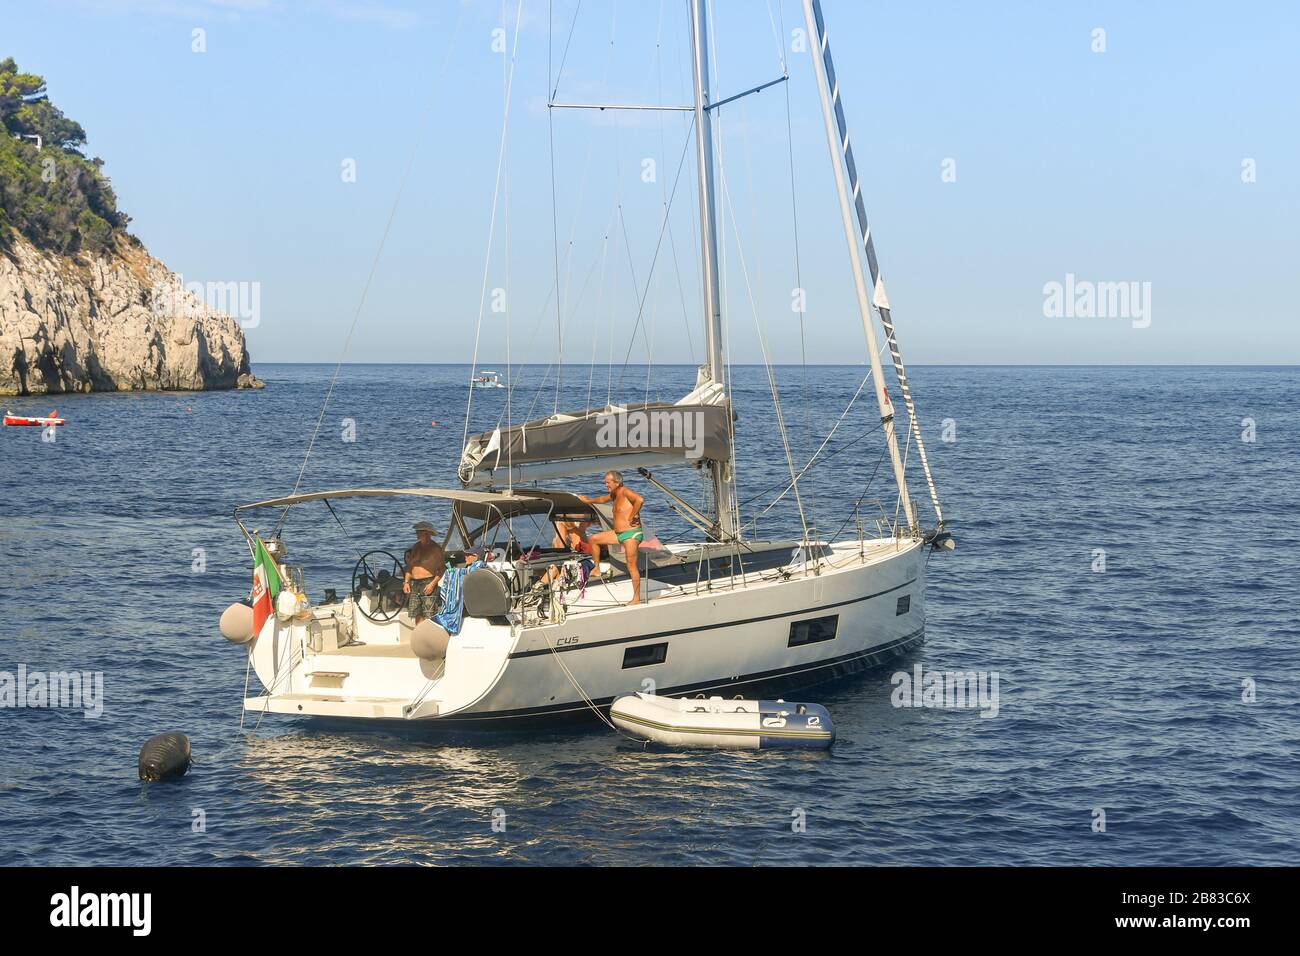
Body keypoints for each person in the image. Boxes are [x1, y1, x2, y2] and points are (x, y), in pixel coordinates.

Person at [581, 471, 646, 605]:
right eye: (605, 482)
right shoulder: (614, 495)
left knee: (631, 565)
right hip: (619, 534)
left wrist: (633, 515)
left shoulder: (625, 491)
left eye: (608, 482)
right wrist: (588, 501)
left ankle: (636, 598)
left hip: (631, 534)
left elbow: (639, 500)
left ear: (617, 482)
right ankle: (597, 568)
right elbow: (601, 499)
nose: (606, 485)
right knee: (593, 539)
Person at [402, 521, 445, 623]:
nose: (416, 534)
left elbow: (442, 568)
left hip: (428, 583)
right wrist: (406, 582)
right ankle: (419, 634)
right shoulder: (415, 547)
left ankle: (430, 637)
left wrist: (432, 584)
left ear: (426, 533)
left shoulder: (436, 549)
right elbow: (410, 566)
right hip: (414, 584)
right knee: (416, 613)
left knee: (429, 615)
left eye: (419, 532)